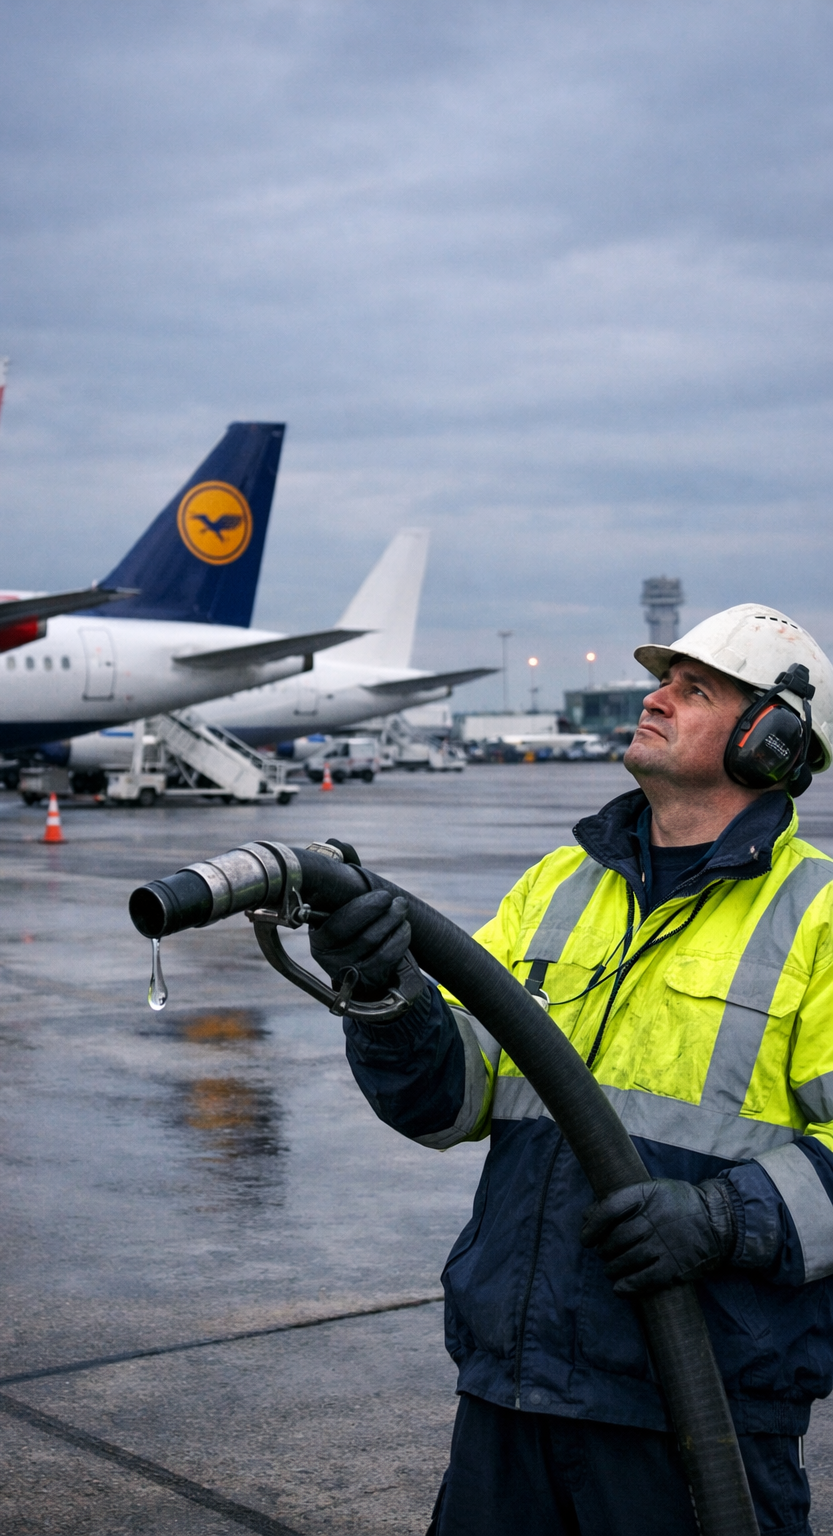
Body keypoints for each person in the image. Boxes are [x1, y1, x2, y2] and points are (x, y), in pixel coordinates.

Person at [309, 605, 833, 1536]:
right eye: (663, 681)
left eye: (693, 688)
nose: (654, 698)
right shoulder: (559, 883)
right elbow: (448, 1100)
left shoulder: (820, 917)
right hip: (512, 1389)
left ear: (773, 739)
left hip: (699, 1414)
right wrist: (385, 991)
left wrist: (723, 1218)